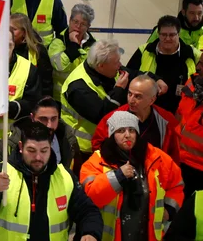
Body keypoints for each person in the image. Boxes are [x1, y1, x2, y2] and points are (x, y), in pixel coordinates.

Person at [0, 120, 103, 241]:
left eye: (44, 150)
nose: (38, 157)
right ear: (20, 146)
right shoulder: (2, 171)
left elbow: (88, 211)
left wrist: (90, 232)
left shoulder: (65, 176)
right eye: (31, 150)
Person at [80, 111, 184, 241]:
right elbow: (90, 197)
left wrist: (169, 210)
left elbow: (176, 185)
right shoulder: (97, 161)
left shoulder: (156, 157)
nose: (127, 135)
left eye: (132, 130)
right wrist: (118, 176)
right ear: (112, 135)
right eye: (121, 130)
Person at [61, 39, 132, 173]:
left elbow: (130, 72)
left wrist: (155, 78)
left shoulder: (103, 70)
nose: (120, 65)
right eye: (116, 62)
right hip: (81, 150)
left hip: (102, 146)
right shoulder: (78, 87)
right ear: (101, 66)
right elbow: (102, 115)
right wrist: (119, 90)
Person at [91, 74, 181, 165]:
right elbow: (97, 146)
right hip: (121, 171)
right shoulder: (113, 118)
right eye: (130, 94)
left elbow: (174, 154)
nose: (131, 100)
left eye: (138, 96)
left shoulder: (167, 121)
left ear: (152, 100)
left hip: (154, 173)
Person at [127, 15, 201, 114]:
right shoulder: (145, 50)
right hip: (148, 110)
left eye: (172, 35)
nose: (167, 38)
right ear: (158, 34)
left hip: (180, 113)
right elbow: (128, 73)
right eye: (164, 35)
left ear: (178, 34)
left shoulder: (191, 53)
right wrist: (152, 77)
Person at [0, 96, 78, 173]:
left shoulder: (68, 140)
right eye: (43, 119)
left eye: (53, 119)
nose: (49, 125)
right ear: (32, 118)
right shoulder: (10, 144)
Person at [0, 37, 41, 151]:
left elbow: (33, 103)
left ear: (14, 45)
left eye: (9, 45)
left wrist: (10, 108)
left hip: (13, 138)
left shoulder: (28, 68)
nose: (4, 49)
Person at [48, 3, 97, 100]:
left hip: (84, 96)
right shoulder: (58, 42)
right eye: (75, 21)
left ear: (88, 26)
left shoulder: (93, 44)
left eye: (83, 24)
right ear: (69, 20)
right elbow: (60, 66)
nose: (78, 26)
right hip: (61, 96)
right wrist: (73, 45)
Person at [11, 13, 53, 96]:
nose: (9, 32)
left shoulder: (38, 51)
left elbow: (46, 82)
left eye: (13, 29)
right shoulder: (2, 49)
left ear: (24, 32)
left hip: (33, 100)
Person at [176, 74, 203, 198]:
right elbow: (180, 113)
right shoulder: (191, 83)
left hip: (198, 169)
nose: (198, 67)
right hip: (177, 159)